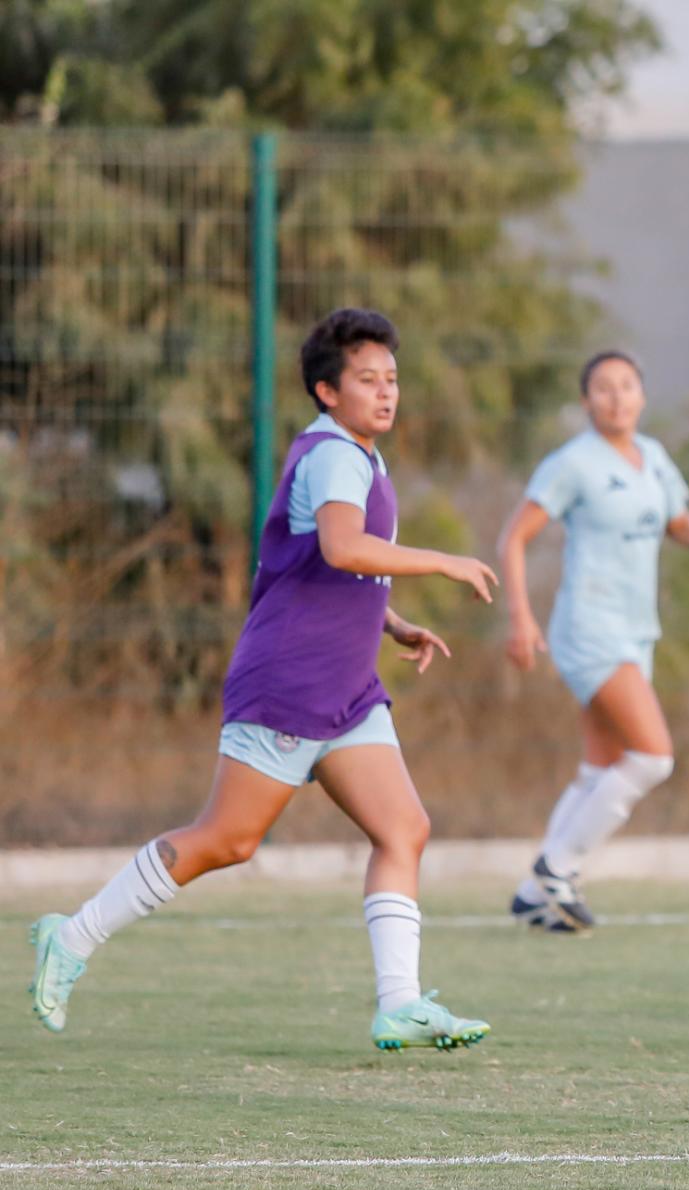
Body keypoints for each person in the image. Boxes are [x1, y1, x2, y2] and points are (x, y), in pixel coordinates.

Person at [27, 308, 499, 1051]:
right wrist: (445, 561)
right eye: (367, 380)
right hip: (289, 682)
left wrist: (392, 620)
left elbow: (323, 566)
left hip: (345, 690)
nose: (386, 392)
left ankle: (400, 1002)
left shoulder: (358, 457)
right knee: (226, 839)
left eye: (393, 379)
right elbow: (344, 547)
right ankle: (72, 935)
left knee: (403, 827)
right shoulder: (332, 456)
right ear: (325, 391)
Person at [497, 351, 689, 932]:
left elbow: (679, 523)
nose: (616, 397)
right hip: (590, 627)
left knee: (602, 769)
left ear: (642, 395)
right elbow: (513, 538)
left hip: (637, 629)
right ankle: (555, 870)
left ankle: (530, 895)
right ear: (586, 400)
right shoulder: (573, 464)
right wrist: (520, 617)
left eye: (626, 386)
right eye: (602, 388)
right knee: (652, 758)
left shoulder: (654, 458)